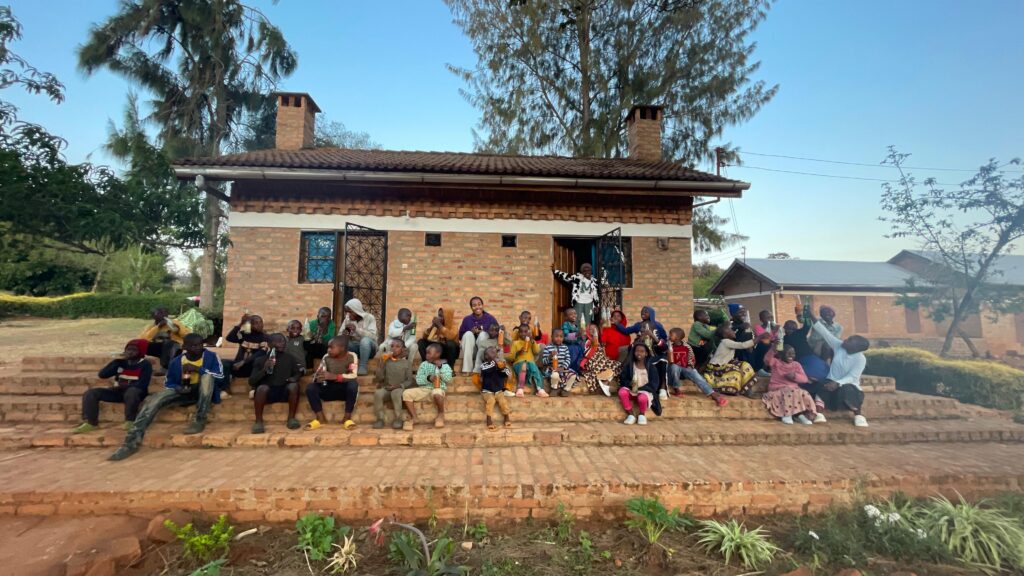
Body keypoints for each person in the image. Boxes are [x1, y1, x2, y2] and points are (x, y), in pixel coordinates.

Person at [108, 333, 223, 461]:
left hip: (204, 392)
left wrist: (198, 369)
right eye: (193, 346)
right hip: (183, 391)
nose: (198, 348)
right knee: (155, 399)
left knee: (207, 377)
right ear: (184, 347)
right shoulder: (177, 361)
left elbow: (220, 377)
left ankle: (200, 418)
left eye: (200, 345)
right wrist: (177, 387)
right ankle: (131, 441)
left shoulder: (211, 357)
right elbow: (169, 383)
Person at [806, 309, 870, 427]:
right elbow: (824, 332)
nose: (845, 340)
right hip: (830, 381)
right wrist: (811, 316)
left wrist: (837, 383)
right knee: (818, 386)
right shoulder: (839, 345)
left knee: (848, 390)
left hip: (847, 385)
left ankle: (858, 415)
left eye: (850, 340)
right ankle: (819, 413)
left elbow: (852, 377)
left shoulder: (860, 359)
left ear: (856, 348)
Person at [74, 339, 153, 434]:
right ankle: (91, 422)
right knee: (91, 393)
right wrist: (116, 362)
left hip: (136, 393)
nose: (130, 352)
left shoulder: (145, 364)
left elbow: (143, 384)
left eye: (134, 350)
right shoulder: (121, 362)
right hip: (119, 392)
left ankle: (130, 421)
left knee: (131, 392)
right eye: (128, 349)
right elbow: (102, 375)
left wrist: (125, 387)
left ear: (140, 352)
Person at [249, 333, 303, 434]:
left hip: (284, 391)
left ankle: (291, 418)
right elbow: (251, 381)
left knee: (294, 386)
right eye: (279, 341)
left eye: (283, 341)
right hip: (268, 393)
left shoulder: (290, 358)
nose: (282, 343)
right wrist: (264, 370)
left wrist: (294, 378)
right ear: (270, 344)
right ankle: (258, 421)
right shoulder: (260, 360)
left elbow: (297, 373)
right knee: (261, 388)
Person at [304, 335, 359, 430]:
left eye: (331, 348)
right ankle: (320, 418)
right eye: (328, 347)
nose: (328, 350)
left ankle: (347, 418)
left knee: (353, 385)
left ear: (342, 348)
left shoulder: (352, 356)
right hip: (329, 389)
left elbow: (353, 375)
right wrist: (317, 377)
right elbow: (320, 373)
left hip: (344, 390)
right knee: (311, 387)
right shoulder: (326, 357)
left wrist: (335, 376)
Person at [615, 307, 669, 399]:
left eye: (645, 311)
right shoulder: (638, 325)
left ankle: (662, 388)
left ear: (651, 313)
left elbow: (664, 345)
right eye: (642, 311)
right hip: (641, 354)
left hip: (654, 354)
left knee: (663, 360)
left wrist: (652, 336)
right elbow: (626, 331)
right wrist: (616, 323)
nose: (643, 312)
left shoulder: (658, 325)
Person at [666, 328, 728, 407]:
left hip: (684, 369)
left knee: (694, 372)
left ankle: (712, 393)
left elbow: (691, 358)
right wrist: (668, 349)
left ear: (677, 338)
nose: (669, 336)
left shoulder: (687, 346)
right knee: (674, 366)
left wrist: (690, 366)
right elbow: (667, 360)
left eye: (671, 335)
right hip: (673, 371)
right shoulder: (669, 346)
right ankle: (676, 388)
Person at [760, 345, 817, 425]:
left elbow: (804, 379)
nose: (791, 356)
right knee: (788, 392)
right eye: (788, 353)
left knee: (804, 393)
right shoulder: (776, 362)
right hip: (777, 389)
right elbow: (767, 360)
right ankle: (786, 414)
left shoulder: (796, 365)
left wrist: (794, 376)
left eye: (793, 353)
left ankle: (799, 415)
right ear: (781, 355)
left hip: (793, 389)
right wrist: (773, 349)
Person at [702, 324, 762, 396]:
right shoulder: (725, 341)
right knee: (734, 369)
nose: (733, 331)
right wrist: (760, 337)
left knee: (744, 365)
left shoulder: (729, 342)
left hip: (723, 365)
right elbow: (742, 345)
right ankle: (726, 388)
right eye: (730, 330)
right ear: (725, 335)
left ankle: (748, 390)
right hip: (716, 367)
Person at [404, 342, 451, 430]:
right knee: (406, 393)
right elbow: (418, 380)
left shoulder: (445, 365)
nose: (426, 355)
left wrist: (440, 367)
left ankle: (441, 415)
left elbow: (448, 379)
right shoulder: (423, 365)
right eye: (426, 353)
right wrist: (429, 378)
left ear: (437, 354)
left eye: (429, 353)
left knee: (437, 393)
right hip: (424, 389)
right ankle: (414, 417)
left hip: (437, 389)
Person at [373, 338, 415, 430]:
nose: (394, 348)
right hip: (387, 388)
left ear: (402, 349)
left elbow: (409, 381)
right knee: (378, 393)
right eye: (392, 346)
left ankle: (398, 418)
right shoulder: (386, 362)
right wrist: (381, 363)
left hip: (400, 388)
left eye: (397, 346)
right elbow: (379, 378)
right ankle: (380, 419)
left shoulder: (407, 363)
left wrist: (399, 386)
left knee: (395, 393)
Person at [618, 343, 662, 425]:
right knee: (622, 392)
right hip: (631, 390)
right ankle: (631, 414)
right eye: (637, 351)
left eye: (642, 351)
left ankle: (642, 414)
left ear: (646, 353)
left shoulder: (651, 367)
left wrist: (642, 388)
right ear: (634, 352)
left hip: (644, 391)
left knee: (642, 398)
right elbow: (623, 379)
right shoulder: (630, 366)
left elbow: (654, 384)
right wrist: (630, 384)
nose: (639, 353)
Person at [225, 312, 269, 394]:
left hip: (252, 369)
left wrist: (244, 362)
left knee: (259, 361)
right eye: (256, 323)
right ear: (250, 325)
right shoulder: (244, 335)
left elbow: (261, 352)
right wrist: (241, 323)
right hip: (238, 367)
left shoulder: (265, 337)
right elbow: (229, 338)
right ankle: (225, 388)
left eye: (261, 322)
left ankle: (254, 388)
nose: (260, 325)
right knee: (224, 363)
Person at [139, 307, 190, 373]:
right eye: (160, 313)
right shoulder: (151, 327)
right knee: (140, 344)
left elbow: (187, 335)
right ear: (153, 316)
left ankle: (165, 368)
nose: (163, 315)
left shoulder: (175, 323)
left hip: (174, 348)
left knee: (168, 343)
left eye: (165, 313)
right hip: (159, 348)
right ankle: (137, 365)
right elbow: (143, 339)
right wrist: (158, 327)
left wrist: (178, 330)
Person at [458, 297, 499, 374]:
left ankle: (478, 369)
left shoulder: (490, 318)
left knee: (483, 334)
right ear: (471, 308)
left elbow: (497, 333)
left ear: (483, 305)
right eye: (474, 305)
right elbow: (460, 336)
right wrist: (471, 332)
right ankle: (467, 369)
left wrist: (485, 332)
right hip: (471, 351)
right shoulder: (467, 319)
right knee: (468, 334)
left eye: (479, 304)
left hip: (484, 352)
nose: (477, 307)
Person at [552, 262, 600, 327]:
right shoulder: (577, 278)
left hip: (589, 303)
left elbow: (596, 295)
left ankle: (586, 333)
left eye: (588, 270)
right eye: (584, 271)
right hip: (578, 302)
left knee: (588, 320)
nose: (587, 272)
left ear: (591, 271)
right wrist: (555, 271)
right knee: (577, 320)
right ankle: (577, 333)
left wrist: (596, 305)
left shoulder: (595, 281)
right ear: (582, 272)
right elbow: (565, 276)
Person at [580, 322, 621, 396]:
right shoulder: (588, 341)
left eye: (595, 329)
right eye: (591, 329)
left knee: (618, 365)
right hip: (592, 362)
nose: (593, 331)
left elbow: (602, 354)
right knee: (610, 366)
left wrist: (605, 358)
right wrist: (594, 340)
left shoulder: (600, 342)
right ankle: (604, 381)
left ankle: (605, 382)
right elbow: (588, 353)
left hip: (601, 360)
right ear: (588, 331)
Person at [341, 298, 378, 376]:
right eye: (346, 312)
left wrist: (356, 329)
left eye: (350, 312)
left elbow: (373, 336)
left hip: (369, 349)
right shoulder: (347, 319)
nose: (348, 314)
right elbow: (339, 336)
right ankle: (350, 367)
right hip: (355, 348)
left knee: (365, 341)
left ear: (356, 310)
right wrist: (344, 335)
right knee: (343, 342)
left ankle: (362, 367)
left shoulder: (369, 318)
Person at [479, 346, 513, 431]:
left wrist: (504, 369)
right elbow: (487, 370)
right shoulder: (484, 365)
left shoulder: (499, 365)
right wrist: (495, 363)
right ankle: (489, 419)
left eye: (496, 352)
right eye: (492, 352)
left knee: (503, 401)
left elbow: (506, 373)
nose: (495, 354)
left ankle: (506, 416)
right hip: (487, 391)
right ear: (486, 356)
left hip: (498, 391)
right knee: (491, 400)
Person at [508, 323, 545, 397]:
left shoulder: (530, 342)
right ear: (519, 333)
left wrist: (532, 340)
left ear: (528, 333)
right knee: (524, 365)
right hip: (518, 364)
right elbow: (511, 358)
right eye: (521, 332)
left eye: (525, 332)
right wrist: (518, 352)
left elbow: (537, 351)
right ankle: (520, 388)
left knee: (534, 367)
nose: (523, 334)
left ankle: (540, 389)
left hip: (530, 364)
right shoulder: (515, 343)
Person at [540, 328, 577, 397]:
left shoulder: (565, 347)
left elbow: (568, 359)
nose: (559, 338)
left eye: (561, 337)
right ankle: (554, 388)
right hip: (552, 369)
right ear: (552, 337)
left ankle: (566, 389)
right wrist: (550, 356)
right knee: (555, 375)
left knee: (573, 375)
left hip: (562, 368)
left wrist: (563, 367)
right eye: (556, 336)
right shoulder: (548, 347)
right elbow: (544, 361)